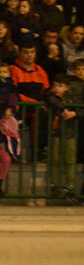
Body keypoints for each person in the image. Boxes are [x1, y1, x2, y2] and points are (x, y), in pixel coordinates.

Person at [46, 74, 78, 202]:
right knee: (55, 159)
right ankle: (54, 185)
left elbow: (80, 108)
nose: (56, 88)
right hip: (56, 132)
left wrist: (75, 113)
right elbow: (53, 102)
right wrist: (65, 110)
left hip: (70, 132)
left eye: (60, 86)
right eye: (54, 85)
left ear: (67, 88)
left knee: (69, 159)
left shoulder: (72, 98)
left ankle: (70, 186)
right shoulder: (51, 97)